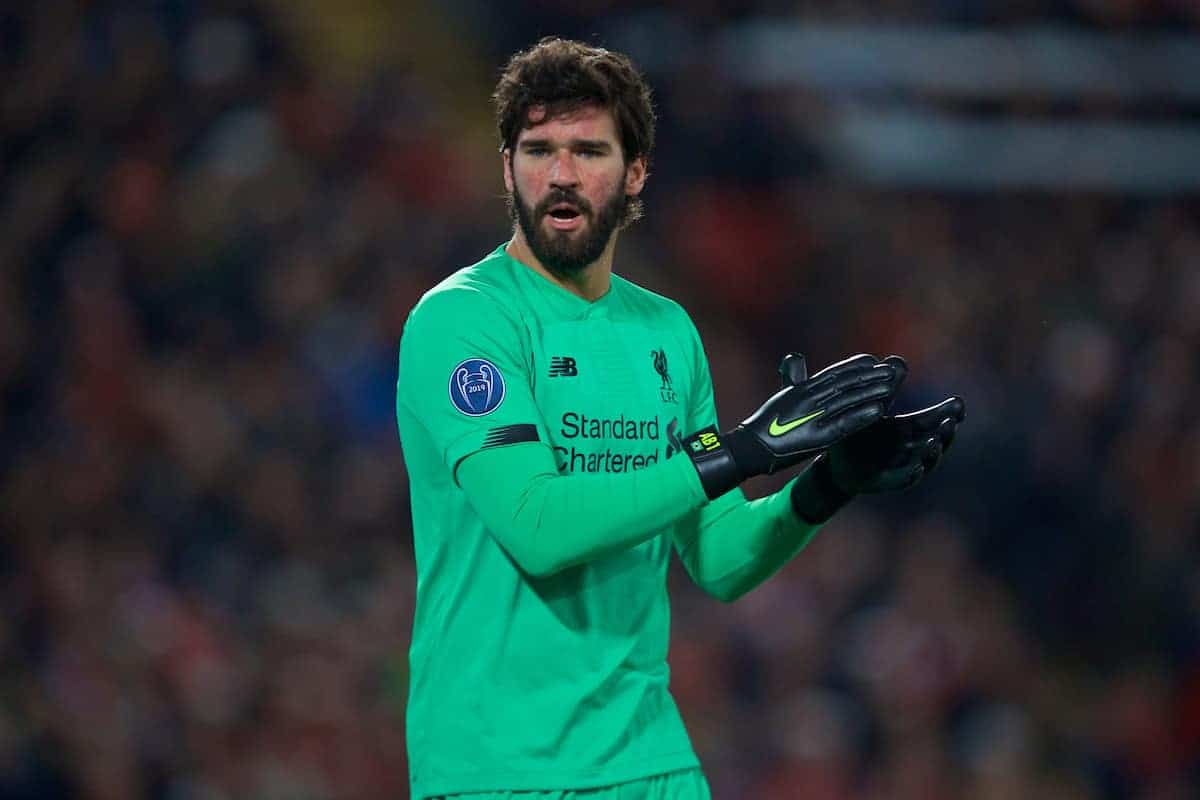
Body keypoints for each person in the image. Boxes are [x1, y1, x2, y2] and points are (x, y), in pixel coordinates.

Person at [395, 37, 964, 800]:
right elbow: (537, 528)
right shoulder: (463, 321)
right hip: (498, 766)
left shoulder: (667, 333)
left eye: (589, 150)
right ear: (508, 168)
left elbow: (720, 559)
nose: (561, 175)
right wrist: (740, 452)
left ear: (634, 174)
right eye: (538, 150)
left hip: (648, 761)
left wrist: (825, 487)